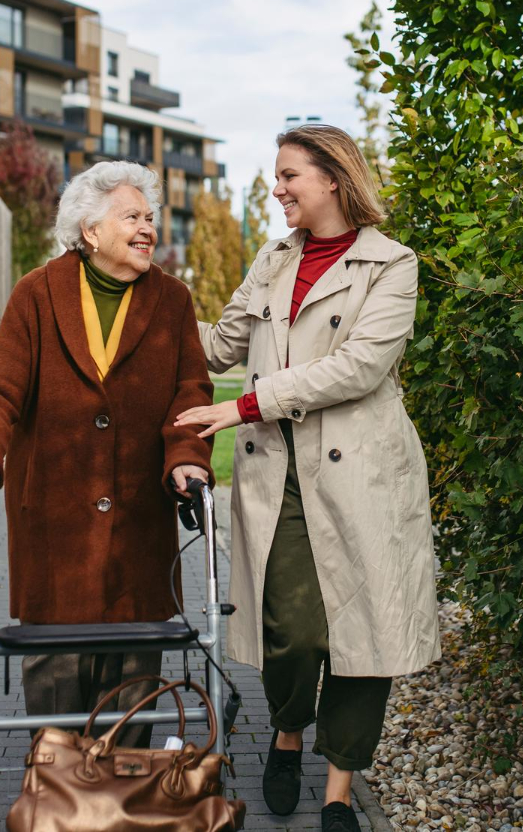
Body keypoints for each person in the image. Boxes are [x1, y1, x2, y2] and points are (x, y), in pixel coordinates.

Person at [175, 125, 440, 831]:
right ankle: (287, 735)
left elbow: (359, 367)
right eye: (277, 175)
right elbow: (222, 342)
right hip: (278, 473)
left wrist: (246, 404)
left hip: (363, 474)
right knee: (288, 628)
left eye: (289, 174)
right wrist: (148, 298)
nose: (278, 188)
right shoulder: (274, 258)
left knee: (365, 635)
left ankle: (340, 791)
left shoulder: (392, 264)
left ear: (332, 177)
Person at [0, 160, 213, 747]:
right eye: (132, 217)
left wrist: (188, 456)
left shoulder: (172, 300)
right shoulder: (37, 293)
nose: (148, 228)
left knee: (132, 694)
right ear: (90, 231)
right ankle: (57, 798)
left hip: (138, 524)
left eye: (151, 218)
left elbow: (190, 393)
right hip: (56, 527)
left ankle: (125, 802)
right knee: (57, 693)